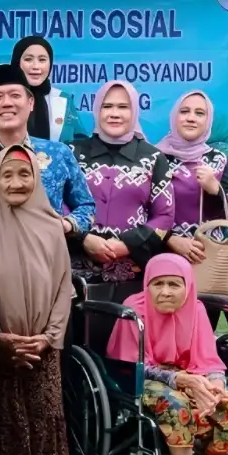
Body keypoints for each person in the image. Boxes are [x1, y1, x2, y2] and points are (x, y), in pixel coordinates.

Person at [107, 254, 228, 455]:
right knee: (176, 406)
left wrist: (215, 386)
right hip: (143, 380)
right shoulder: (133, 310)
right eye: (158, 284)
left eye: (174, 284)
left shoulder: (197, 308)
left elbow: (210, 361)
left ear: (187, 287)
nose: (165, 291)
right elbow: (136, 366)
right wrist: (182, 381)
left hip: (190, 375)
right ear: (147, 285)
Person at [0, 145, 72, 455]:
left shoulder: (51, 225)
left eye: (24, 174)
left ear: (37, 178)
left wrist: (48, 337)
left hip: (43, 351)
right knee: (1, 426)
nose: (16, 182)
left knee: (44, 424)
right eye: (6, 175)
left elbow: (62, 286)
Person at [0, 64, 95, 235]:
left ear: (30, 102)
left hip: (47, 257)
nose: (7, 103)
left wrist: (67, 225)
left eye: (15, 95)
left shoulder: (58, 154)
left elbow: (86, 206)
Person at [69, 80, 173, 302]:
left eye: (123, 107)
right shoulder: (72, 153)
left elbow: (164, 216)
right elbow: (57, 205)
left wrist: (127, 244)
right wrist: (83, 238)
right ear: (97, 110)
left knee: (129, 334)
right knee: (76, 335)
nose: (114, 114)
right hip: (74, 275)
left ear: (134, 111)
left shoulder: (154, 158)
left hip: (133, 276)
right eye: (107, 106)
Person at [155, 91, 228, 331]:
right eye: (185, 111)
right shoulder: (155, 157)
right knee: (175, 336)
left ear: (208, 121)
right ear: (174, 117)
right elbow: (145, 211)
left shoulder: (219, 159)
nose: (191, 118)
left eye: (199, 113)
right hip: (168, 259)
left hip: (210, 260)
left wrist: (215, 190)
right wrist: (171, 240)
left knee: (210, 334)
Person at [10, 36, 85, 142]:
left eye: (42, 60)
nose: (36, 66)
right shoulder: (1, 98)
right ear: (17, 62)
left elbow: (80, 143)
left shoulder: (63, 99)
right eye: (28, 59)